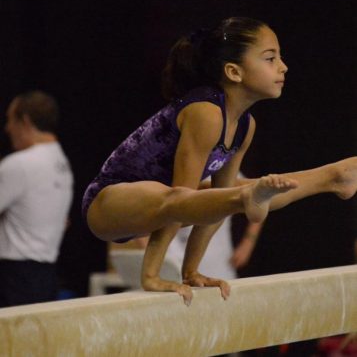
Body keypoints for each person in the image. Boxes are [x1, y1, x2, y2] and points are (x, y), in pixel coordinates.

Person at [83, 17, 357, 306]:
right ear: (234, 71)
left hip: (157, 204)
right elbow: (179, 200)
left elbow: (216, 207)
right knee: (214, 195)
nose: (283, 66)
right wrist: (151, 275)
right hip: (109, 202)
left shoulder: (244, 126)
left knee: (233, 195)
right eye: (270, 58)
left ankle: (330, 178)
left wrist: (191, 271)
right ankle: (251, 194)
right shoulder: (205, 111)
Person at [0, 91, 74, 307]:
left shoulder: (20, 164)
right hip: (46, 276)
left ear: (25, 121)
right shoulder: (61, 162)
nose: (7, 129)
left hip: (14, 278)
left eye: (10, 120)